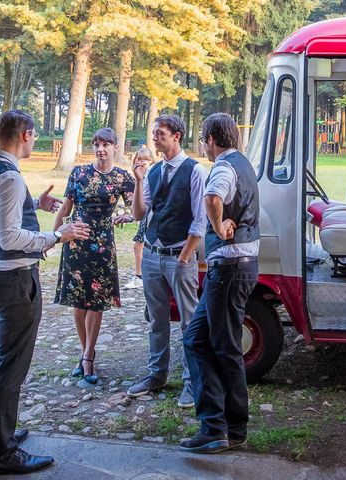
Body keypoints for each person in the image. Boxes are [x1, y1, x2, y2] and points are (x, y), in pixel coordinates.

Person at [0, 110, 90, 475]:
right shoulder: (8, 176)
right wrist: (57, 235)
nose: (34, 142)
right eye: (33, 136)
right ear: (24, 135)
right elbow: (9, 238)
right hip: (13, 282)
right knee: (10, 368)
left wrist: (34, 204)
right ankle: (2, 454)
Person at [180, 113, 260, 454]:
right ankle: (214, 425)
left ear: (212, 138)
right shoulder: (243, 163)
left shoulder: (225, 167)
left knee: (226, 347)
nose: (203, 146)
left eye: (203, 139)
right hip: (233, 267)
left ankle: (233, 427)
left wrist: (218, 227)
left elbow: (213, 197)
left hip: (230, 267)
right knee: (197, 340)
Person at [128, 114, 207, 409]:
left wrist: (185, 256)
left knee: (189, 322)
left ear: (177, 135)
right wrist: (137, 181)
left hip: (179, 255)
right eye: (154, 132)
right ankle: (156, 374)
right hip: (151, 253)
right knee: (156, 320)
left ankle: (191, 382)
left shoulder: (195, 171)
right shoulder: (153, 171)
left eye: (160, 133)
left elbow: (200, 220)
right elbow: (139, 213)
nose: (155, 137)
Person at [53, 128, 134, 385]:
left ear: (115, 148)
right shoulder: (78, 172)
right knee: (79, 300)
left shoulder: (123, 177)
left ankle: (88, 356)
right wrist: (53, 237)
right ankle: (85, 352)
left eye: (106, 144)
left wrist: (128, 216)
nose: (101, 148)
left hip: (102, 244)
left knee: (96, 301)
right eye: (97, 144)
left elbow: (139, 208)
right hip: (76, 241)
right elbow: (66, 208)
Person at [124, 147, 158, 290]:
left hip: (152, 219)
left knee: (142, 245)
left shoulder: (153, 175)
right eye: (139, 159)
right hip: (144, 218)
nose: (142, 162)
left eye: (146, 160)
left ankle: (141, 276)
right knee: (139, 245)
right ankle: (140, 274)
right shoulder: (138, 178)